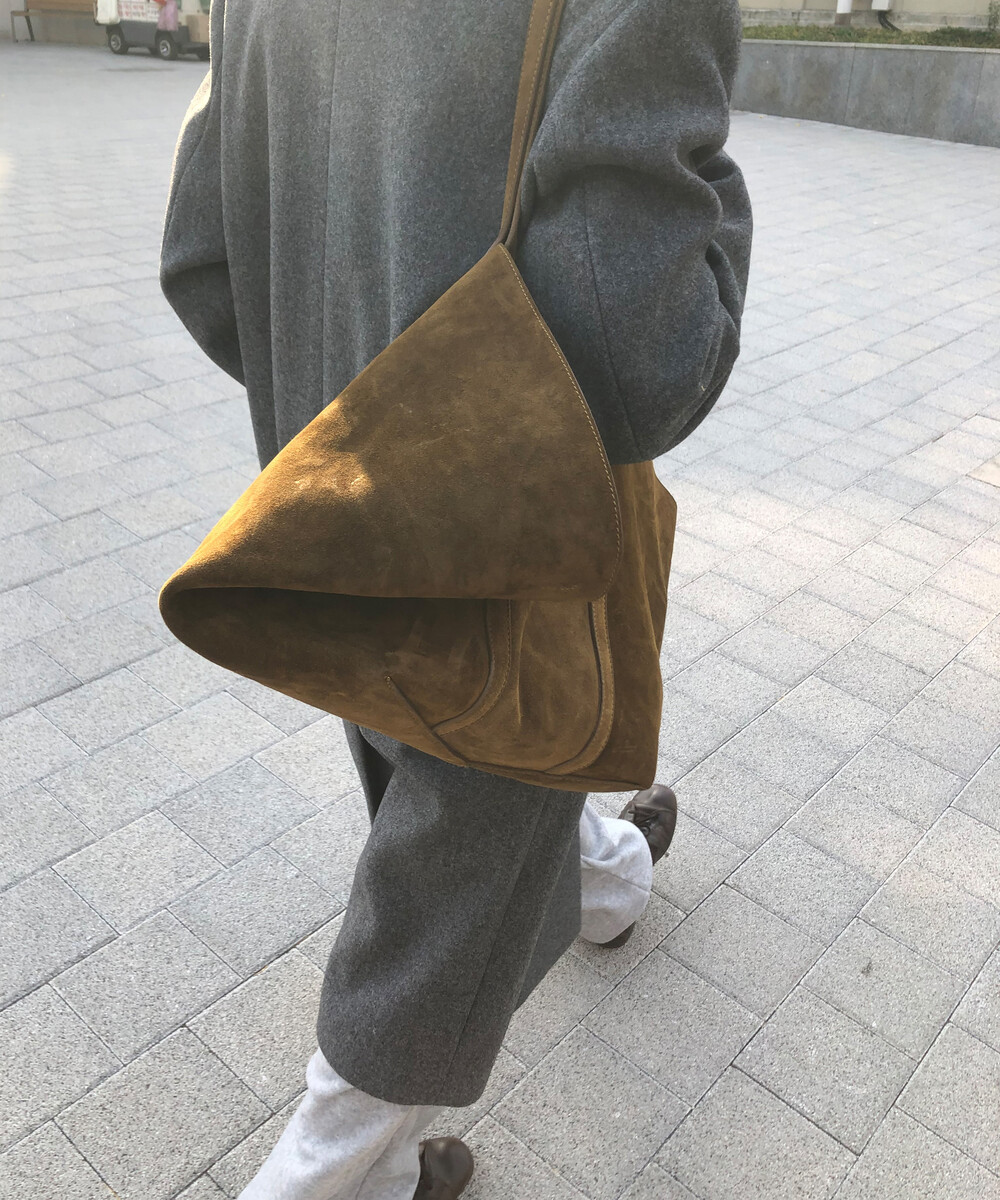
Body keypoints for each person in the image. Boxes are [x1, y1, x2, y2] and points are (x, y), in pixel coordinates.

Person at [159, 0, 753, 1195]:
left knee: (436, 725)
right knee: (463, 819)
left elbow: (202, 260)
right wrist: (724, 209)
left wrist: (351, 393)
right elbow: (645, 354)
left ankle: (604, 881)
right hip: (506, 502)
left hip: (331, 464)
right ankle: (327, 1174)